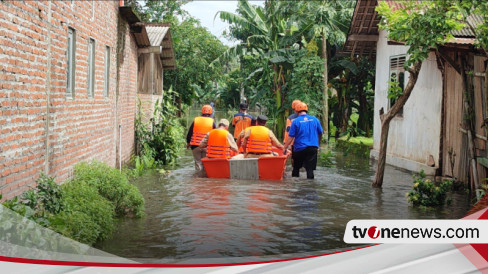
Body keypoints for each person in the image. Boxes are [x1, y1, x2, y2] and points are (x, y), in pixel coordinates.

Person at [283, 102, 323, 179]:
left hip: (299, 148)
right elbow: (320, 133)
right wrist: (318, 144)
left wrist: (284, 147)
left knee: (296, 168)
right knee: (310, 169)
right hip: (312, 148)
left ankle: (295, 185)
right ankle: (310, 186)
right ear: (306, 110)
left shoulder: (295, 121)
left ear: (296, 111)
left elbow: (291, 137)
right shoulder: (315, 119)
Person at [186, 105, 216, 171]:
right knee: (205, 164)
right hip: (206, 146)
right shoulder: (212, 122)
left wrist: (188, 143)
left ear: (202, 111)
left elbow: (189, 133)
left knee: (198, 163)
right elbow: (215, 134)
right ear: (211, 112)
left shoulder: (196, 120)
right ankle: (204, 179)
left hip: (195, 146)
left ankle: (198, 179)